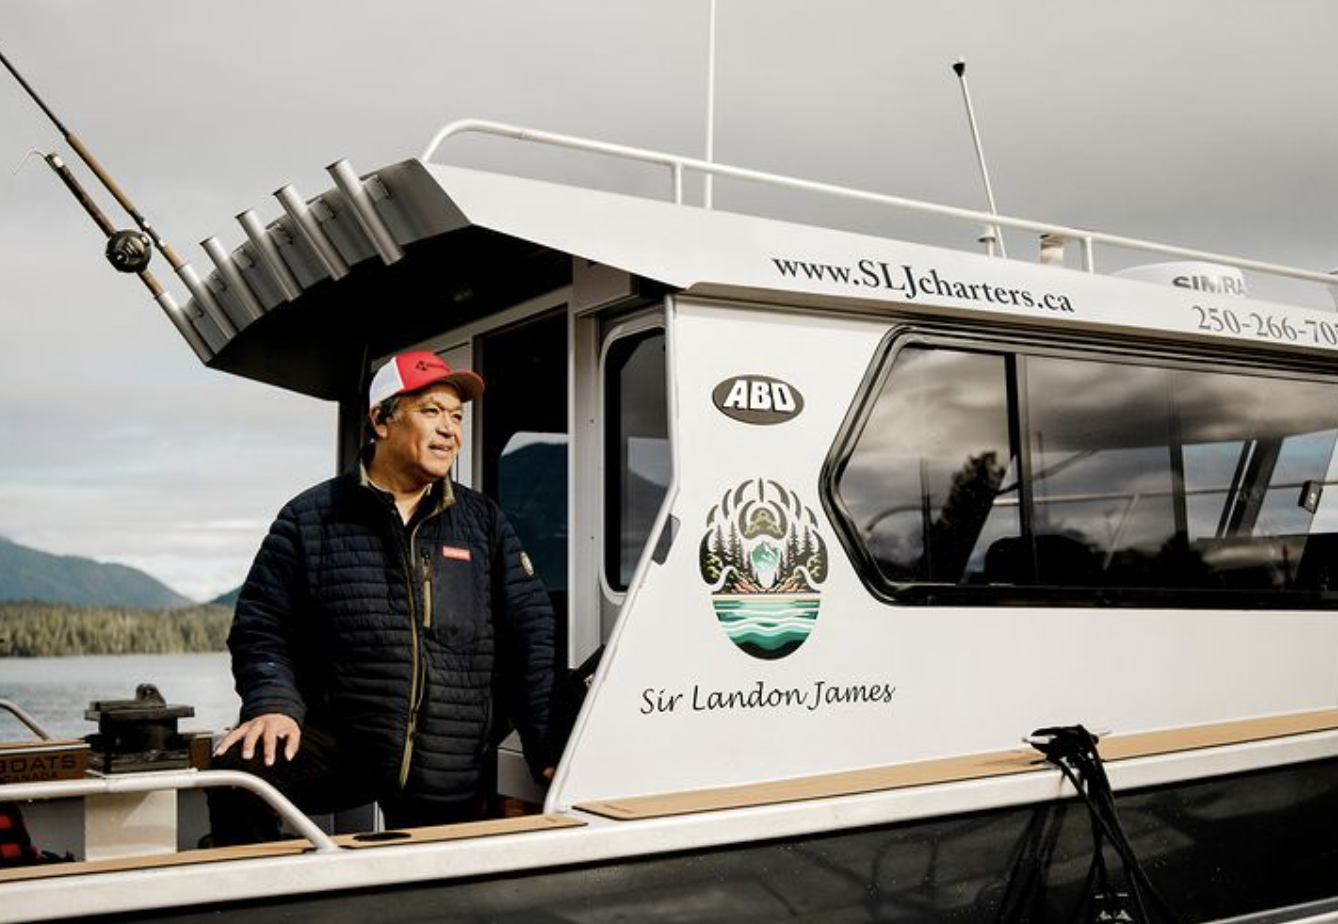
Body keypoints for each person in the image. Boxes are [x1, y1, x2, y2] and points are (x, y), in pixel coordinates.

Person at [207, 351, 557, 845]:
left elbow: (531, 632)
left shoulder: (483, 523)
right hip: (347, 740)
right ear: (381, 420)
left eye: (456, 416)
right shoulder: (310, 518)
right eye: (431, 411)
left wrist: (545, 743)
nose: (450, 431)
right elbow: (261, 627)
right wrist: (273, 705)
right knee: (237, 775)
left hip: (448, 755)